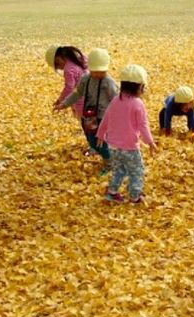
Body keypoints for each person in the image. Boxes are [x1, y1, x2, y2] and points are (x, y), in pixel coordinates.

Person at [96, 64, 157, 203]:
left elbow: (106, 118)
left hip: (113, 146)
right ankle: (135, 196)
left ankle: (112, 192)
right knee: (136, 171)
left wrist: (100, 134)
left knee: (119, 169)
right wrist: (150, 142)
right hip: (130, 147)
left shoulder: (115, 100)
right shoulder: (137, 104)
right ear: (140, 87)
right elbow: (143, 125)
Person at [54, 48, 118, 174]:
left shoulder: (108, 82)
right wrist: (64, 104)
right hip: (89, 115)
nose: (99, 74)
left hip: (104, 118)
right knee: (92, 141)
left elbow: (117, 100)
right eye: (95, 71)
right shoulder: (86, 79)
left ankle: (110, 163)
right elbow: (76, 93)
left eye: (102, 71)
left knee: (101, 142)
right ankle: (110, 157)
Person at [45, 45, 88, 118]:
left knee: (85, 122)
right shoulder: (79, 60)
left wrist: (60, 100)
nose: (60, 69)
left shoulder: (68, 69)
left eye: (58, 67)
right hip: (92, 96)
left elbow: (69, 87)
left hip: (81, 101)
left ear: (58, 60)